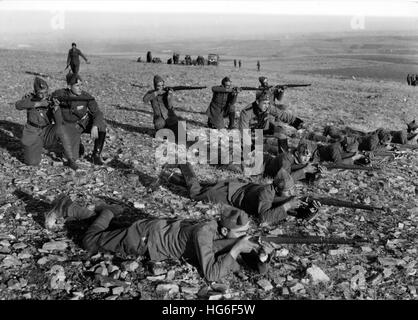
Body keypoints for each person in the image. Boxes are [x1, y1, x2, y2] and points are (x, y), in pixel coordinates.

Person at [44, 195, 266, 282]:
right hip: (143, 240)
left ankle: (95, 212)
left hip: (154, 230)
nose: (245, 237)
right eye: (241, 234)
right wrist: (236, 250)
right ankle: (81, 208)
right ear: (226, 232)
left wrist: (262, 257)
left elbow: (234, 258)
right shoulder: (204, 233)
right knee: (90, 242)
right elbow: (211, 274)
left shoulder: (216, 231)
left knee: (111, 231)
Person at [163, 163, 320, 225]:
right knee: (196, 193)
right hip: (228, 194)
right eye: (288, 191)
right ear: (278, 189)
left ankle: (170, 177)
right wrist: (287, 205)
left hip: (239, 187)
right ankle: (184, 165)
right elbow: (263, 218)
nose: (291, 193)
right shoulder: (266, 193)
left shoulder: (275, 189)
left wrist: (305, 207)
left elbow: (288, 185)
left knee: (202, 186)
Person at [51, 73, 107, 167]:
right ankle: (78, 145)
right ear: (69, 86)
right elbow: (47, 101)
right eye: (77, 85)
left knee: (101, 126)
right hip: (69, 126)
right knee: (73, 157)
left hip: (83, 122)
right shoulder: (60, 95)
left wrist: (95, 126)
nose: (80, 88)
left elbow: (98, 113)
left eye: (81, 85)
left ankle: (96, 155)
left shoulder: (86, 96)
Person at [15, 77, 70, 167]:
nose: (43, 95)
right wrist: (39, 103)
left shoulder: (51, 100)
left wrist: (56, 108)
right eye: (40, 93)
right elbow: (18, 105)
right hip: (32, 132)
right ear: (35, 92)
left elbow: (59, 122)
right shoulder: (30, 98)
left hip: (46, 131)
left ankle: (67, 156)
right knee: (32, 163)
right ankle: (38, 148)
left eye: (45, 92)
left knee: (64, 128)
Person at [239, 93, 304, 153]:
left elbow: (281, 114)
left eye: (268, 103)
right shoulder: (246, 112)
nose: (267, 106)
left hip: (264, 128)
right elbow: (244, 132)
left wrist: (297, 122)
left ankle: (284, 154)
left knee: (281, 132)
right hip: (253, 134)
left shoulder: (268, 107)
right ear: (257, 102)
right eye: (264, 103)